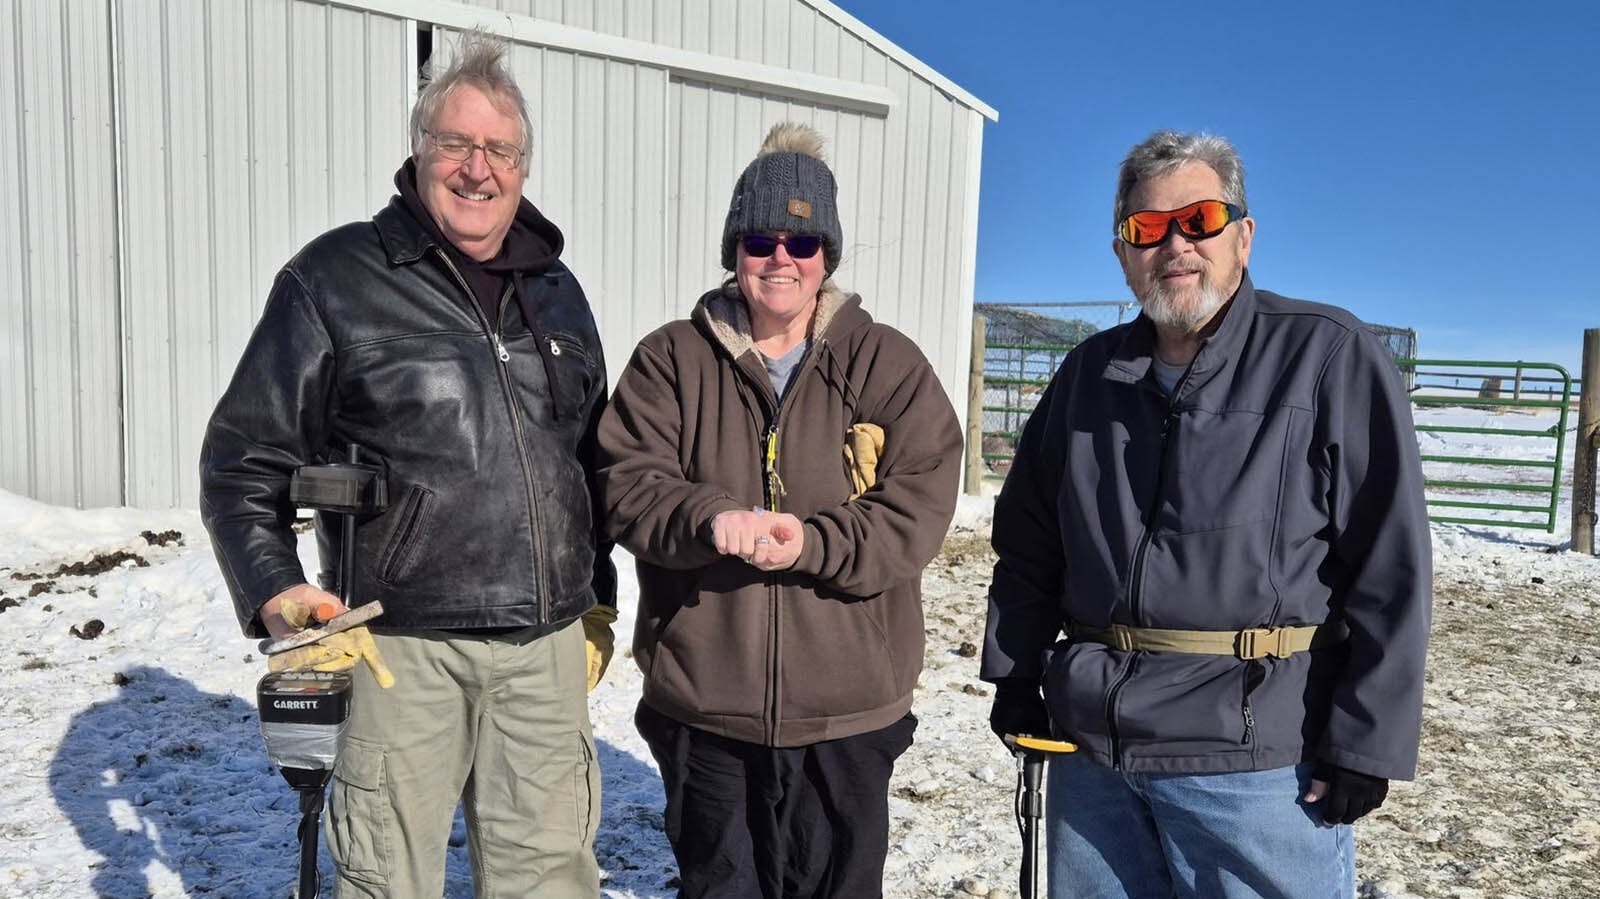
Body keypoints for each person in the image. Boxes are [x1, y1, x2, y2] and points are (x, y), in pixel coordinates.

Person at [199, 31, 615, 898]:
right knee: (385, 877)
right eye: (455, 143)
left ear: (523, 168)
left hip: (543, 650)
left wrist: (597, 598)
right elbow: (243, 457)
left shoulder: (557, 290)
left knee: (552, 877)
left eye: (499, 149)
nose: (477, 168)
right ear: (419, 152)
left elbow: (589, 458)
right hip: (399, 649)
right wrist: (275, 587)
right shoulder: (337, 278)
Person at [981, 129, 1432, 897]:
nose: (1175, 245)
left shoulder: (1326, 356)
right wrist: (1017, 670)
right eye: (1148, 229)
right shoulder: (1088, 376)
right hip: (1093, 757)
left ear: (1244, 236)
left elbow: (1390, 566)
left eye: (1200, 219)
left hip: (1255, 764)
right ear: (1122, 251)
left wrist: (1366, 741)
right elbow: (1030, 541)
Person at [596, 122, 963, 899]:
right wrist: (707, 517)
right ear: (734, 248)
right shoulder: (672, 358)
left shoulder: (885, 361)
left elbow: (920, 501)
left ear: (827, 253)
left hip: (849, 712)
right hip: (705, 705)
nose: (781, 259)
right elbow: (628, 480)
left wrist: (815, 541)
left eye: (803, 242)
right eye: (762, 239)